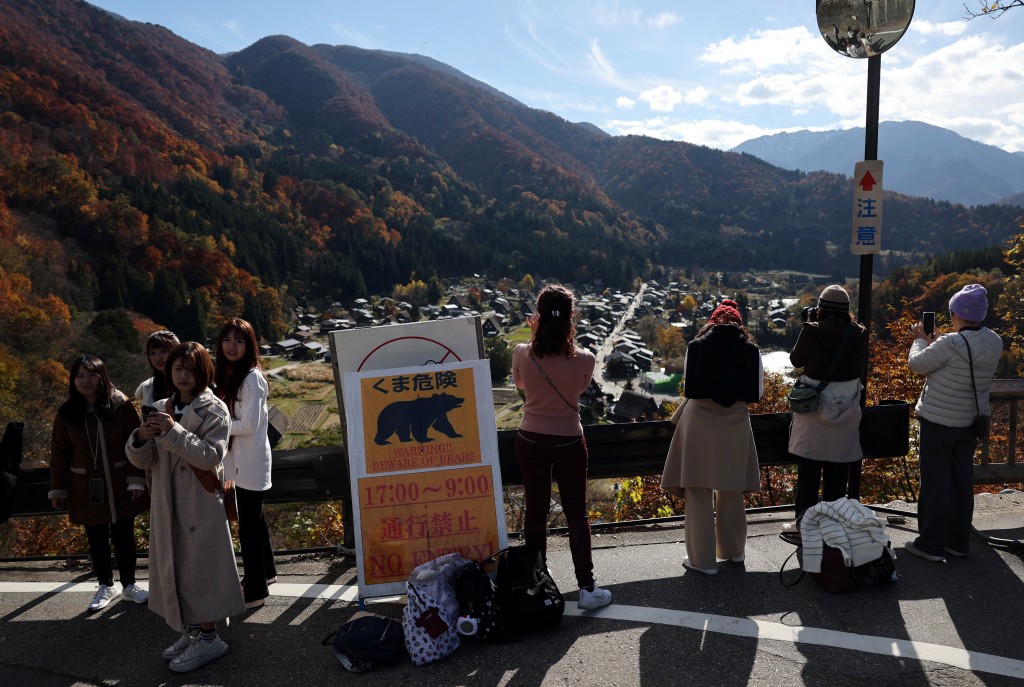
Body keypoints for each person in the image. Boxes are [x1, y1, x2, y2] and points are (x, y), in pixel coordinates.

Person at [126, 342, 245, 673]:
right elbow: (143, 459)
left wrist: (171, 430)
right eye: (177, 369)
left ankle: (210, 640)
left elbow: (210, 457)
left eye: (190, 370)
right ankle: (192, 633)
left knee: (201, 572)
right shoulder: (158, 406)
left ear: (203, 373)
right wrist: (138, 437)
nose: (182, 375)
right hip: (166, 504)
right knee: (176, 569)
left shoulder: (214, 410)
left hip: (199, 505)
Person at [511, 284, 611, 610]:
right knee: (576, 513)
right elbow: (577, 391)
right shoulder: (586, 359)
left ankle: (536, 581)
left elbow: (521, 385)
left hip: (530, 438)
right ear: (571, 319)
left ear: (538, 316)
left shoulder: (521, 353)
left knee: (536, 512)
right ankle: (586, 587)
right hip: (569, 439)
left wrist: (535, 333)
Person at [661, 299, 762, 575]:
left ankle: (702, 561)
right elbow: (757, 393)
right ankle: (733, 551)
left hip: (699, 422)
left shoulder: (697, 346)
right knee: (731, 488)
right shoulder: (751, 351)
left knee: (698, 490)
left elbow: (690, 387)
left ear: (712, 321)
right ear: (739, 324)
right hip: (736, 423)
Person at [906, 284, 1002, 561]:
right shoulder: (994, 341)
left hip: (939, 423)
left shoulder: (950, 343)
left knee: (935, 483)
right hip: (970, 422)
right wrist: (940, 342)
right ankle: (957, 543)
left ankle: (930, 545)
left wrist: (921, 340)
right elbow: (961, 359)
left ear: (957, 313)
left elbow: (917, 364)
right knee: (961, 482)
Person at [48, 356, 149, 610]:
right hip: (85, 485)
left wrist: (136, 479)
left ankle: (129, 585)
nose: (86, 381)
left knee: (124, 534)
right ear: (73, 381)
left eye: (91, 375)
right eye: (79, 376)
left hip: (119, 482)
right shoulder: (67, 412)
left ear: (102, 377)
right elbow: (59, 452)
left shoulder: (120, 405)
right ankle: (106, 585)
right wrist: (57, 487)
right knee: (96, 536)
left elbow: (137, 441)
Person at [784, 285, 868, 535]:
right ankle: (833, 526)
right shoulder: (859, 333)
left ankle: (804, 525)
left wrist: (808, 325)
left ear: (821, 308)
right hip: (848, 406)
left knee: (809, 470)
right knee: (838, 468)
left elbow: (796, 361)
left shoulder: (813, 330)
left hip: (814, 406)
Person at [215, 318, 277, 609]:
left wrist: (217, 425)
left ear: (249, 345)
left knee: (249, 529)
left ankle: (255, 593)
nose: (232, 346)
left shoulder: (251, 377)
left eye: (239, 341)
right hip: (239, 461)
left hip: (249, 463)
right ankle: (266, 573)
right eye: (227, 340)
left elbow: (249, 424)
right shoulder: (229, 374)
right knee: (256, 522)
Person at [135, 330, 180, 407]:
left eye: (163, 351)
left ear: (176, 352)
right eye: (153, 353)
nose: (158, 358)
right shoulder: (147, 387)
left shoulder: (187, 383)